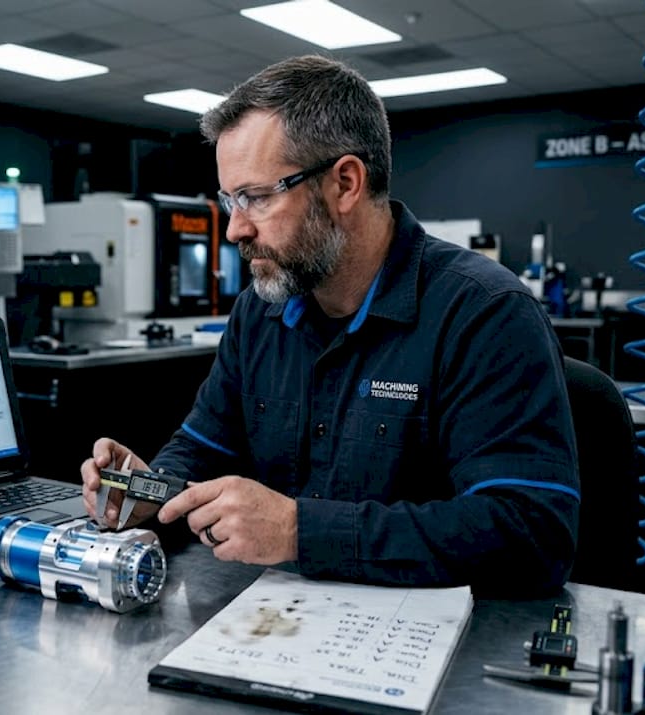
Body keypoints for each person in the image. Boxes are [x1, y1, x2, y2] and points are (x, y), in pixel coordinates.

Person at [80, 54, 579, 596]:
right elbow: (206, 448)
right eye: (230, 200)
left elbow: (531, 536)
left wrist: (299, 532)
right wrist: (152, 488)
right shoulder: (260, 310)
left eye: (256, 197)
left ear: (344, 184)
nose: (234, 230)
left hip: (429, 644)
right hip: (276, 623)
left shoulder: (483, 313)